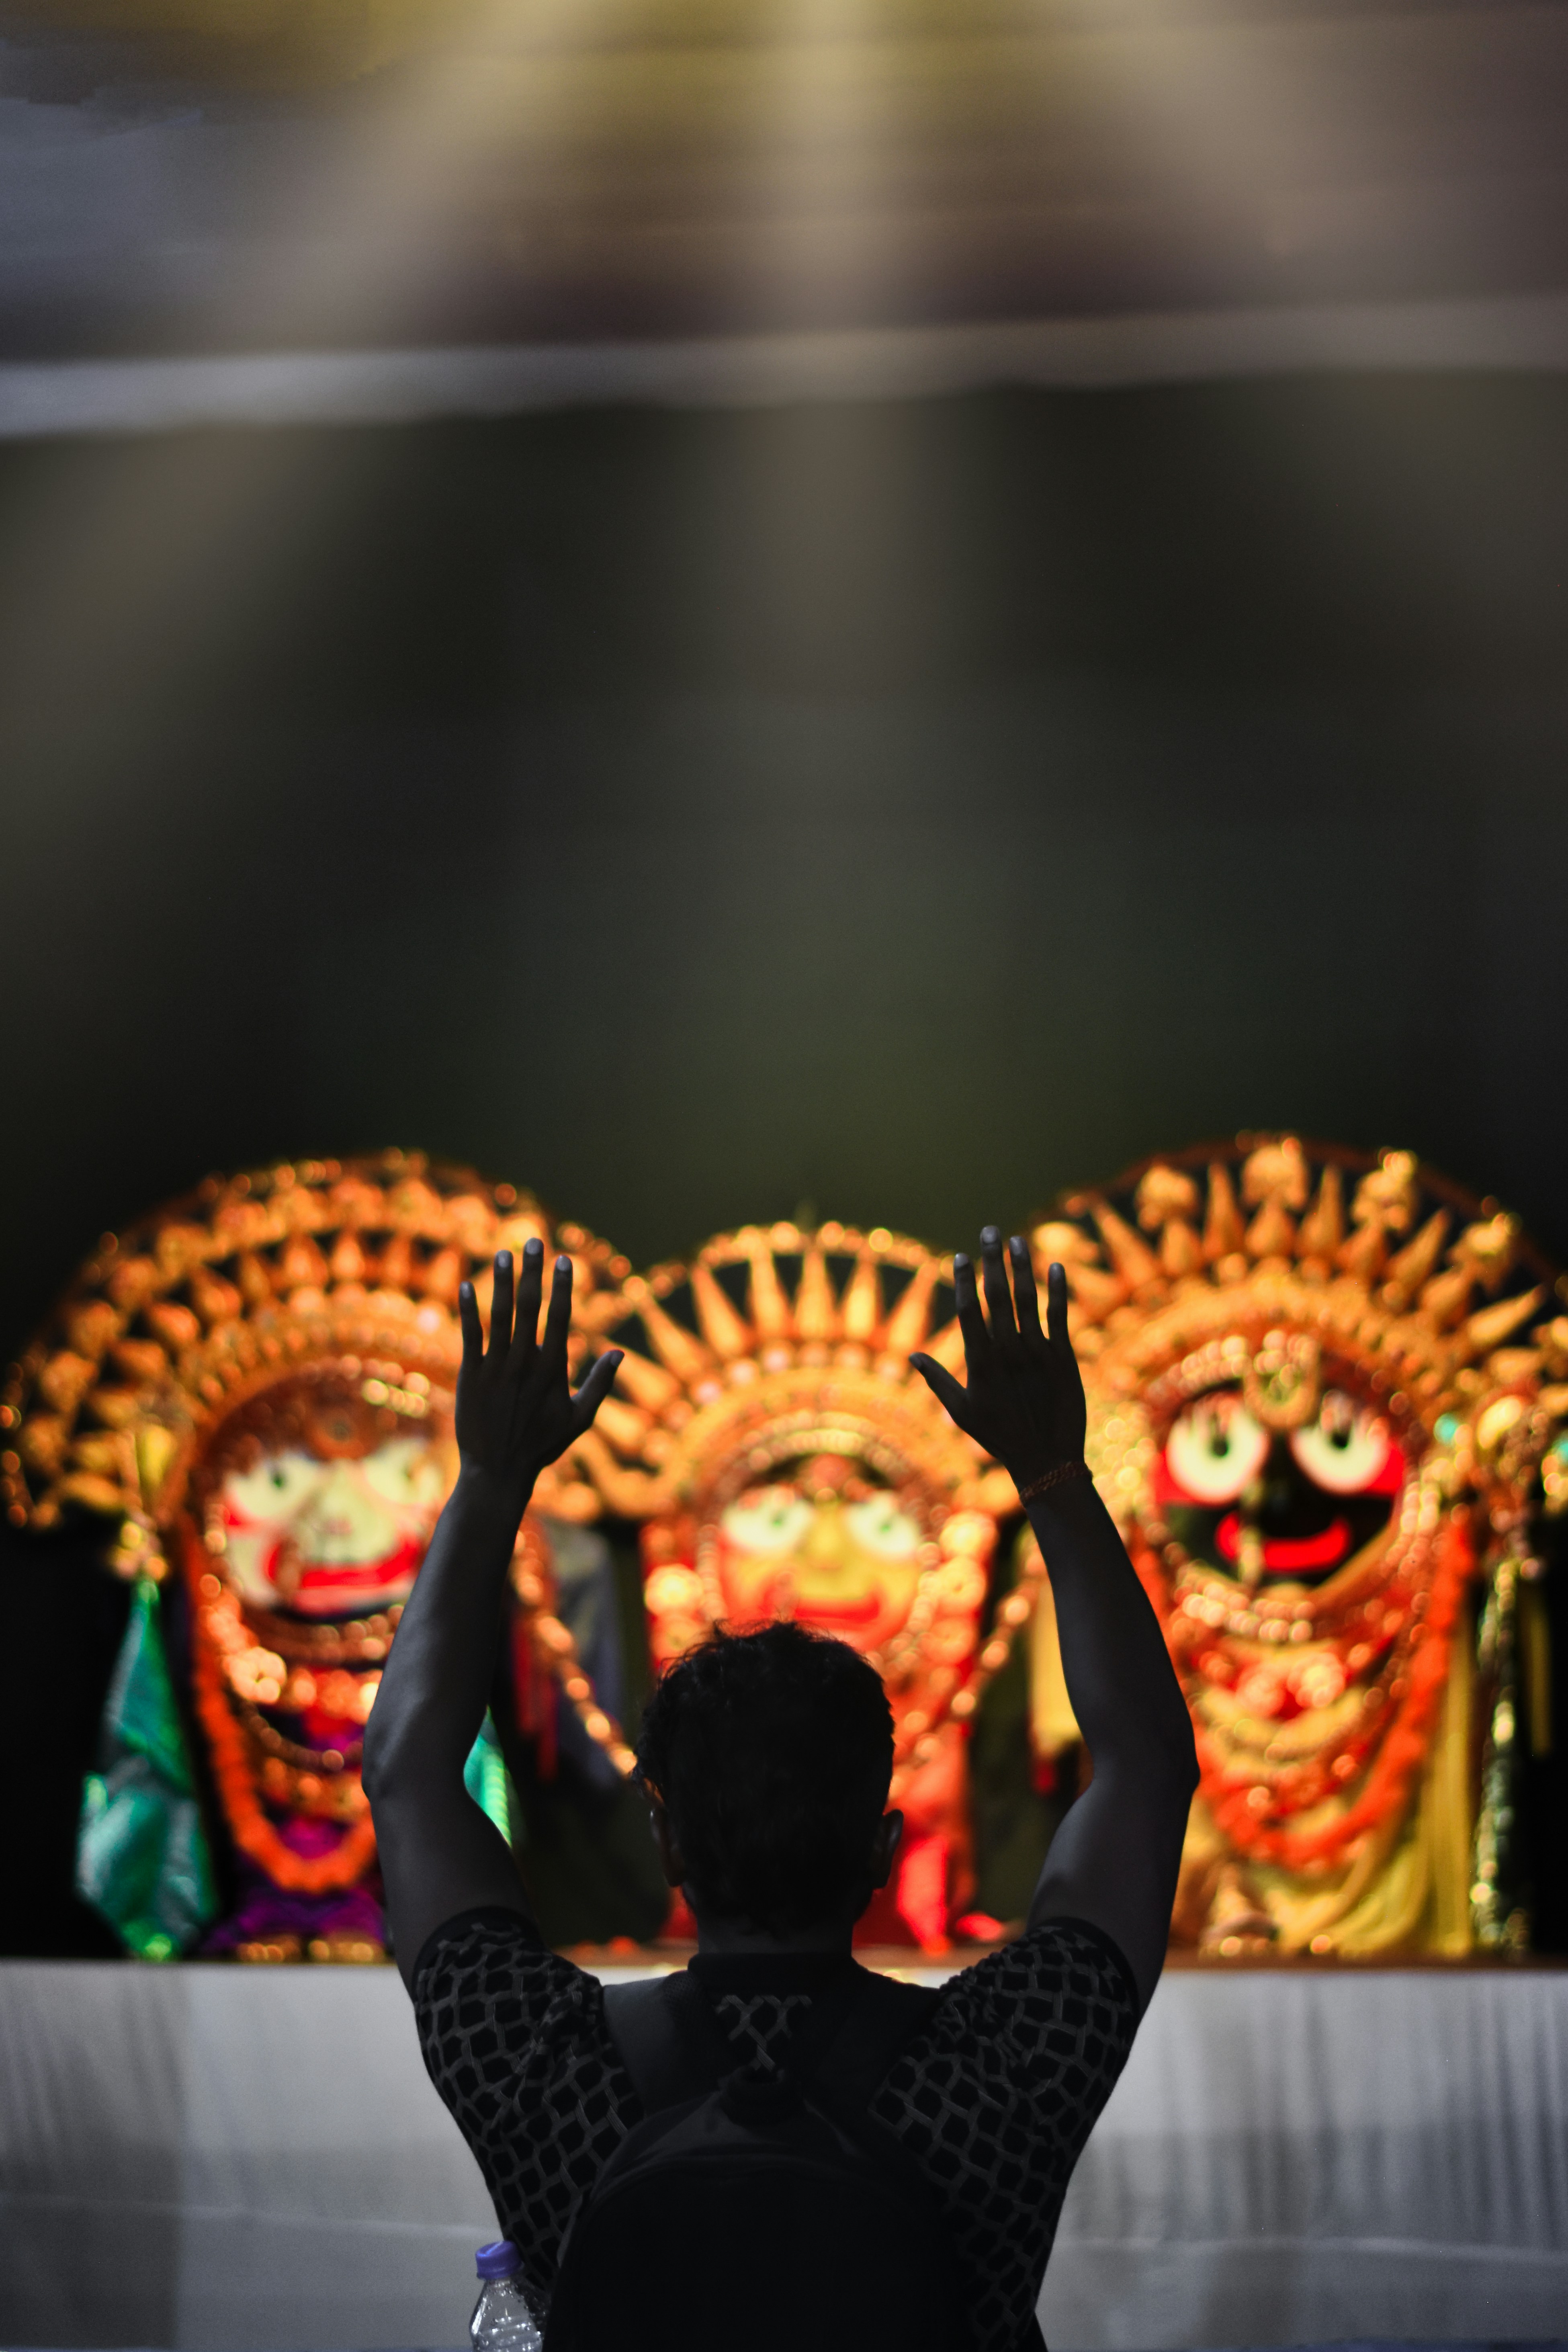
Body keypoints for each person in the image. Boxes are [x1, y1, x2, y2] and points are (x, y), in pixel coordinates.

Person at [364, 1226, 1199, 2352]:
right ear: (886, 1847)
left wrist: (492, 1475)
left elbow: (411, 1772)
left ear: (668, 1842)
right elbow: (1148, 1769)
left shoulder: (543, 2069)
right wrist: (1052, 1472)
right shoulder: (1004, 2070)